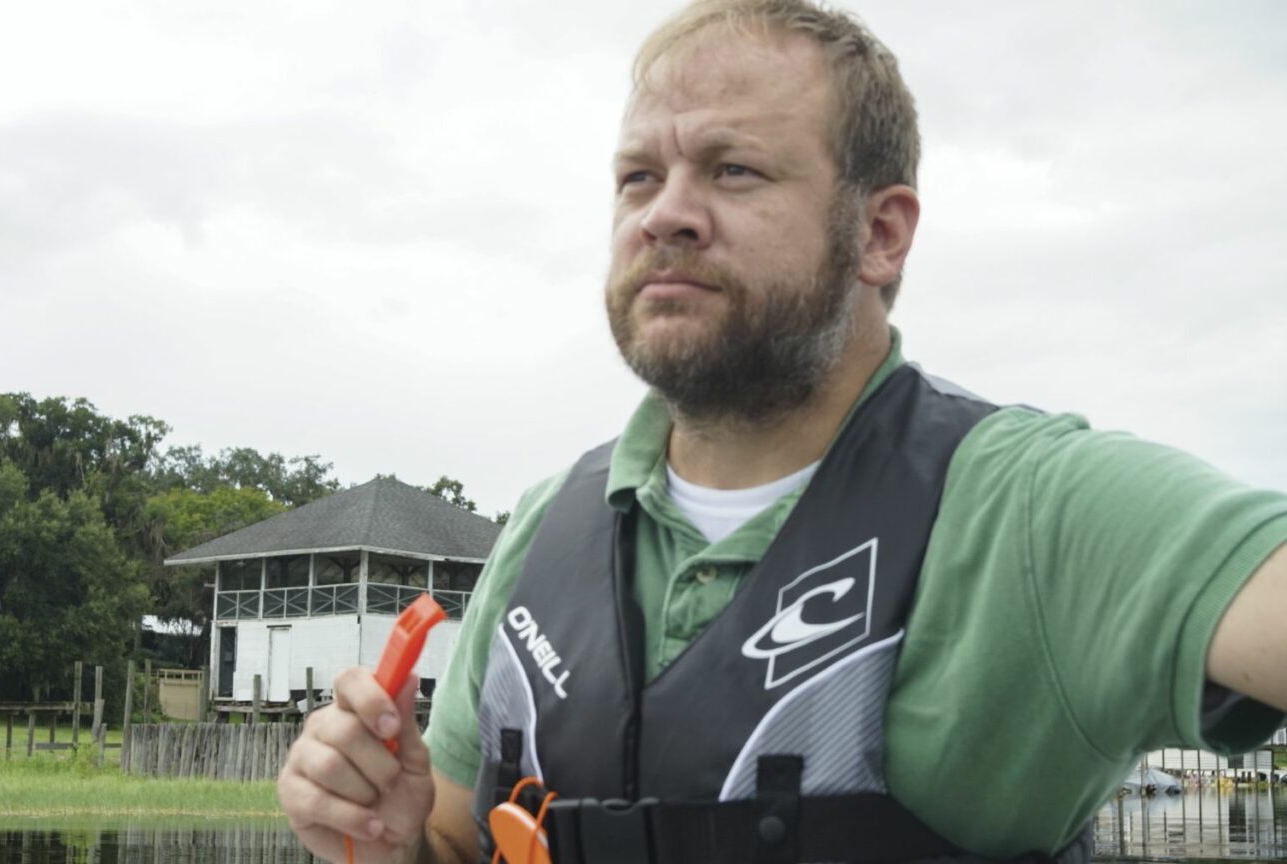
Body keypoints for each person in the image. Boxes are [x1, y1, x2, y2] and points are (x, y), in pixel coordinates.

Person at [278, 1, 1287, 861]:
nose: (664, 215)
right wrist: (387, 842)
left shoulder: (1031, 510)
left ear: (881, 235)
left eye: (733, 171)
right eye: (638, 178)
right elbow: (457, 841)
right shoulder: (544, 529)